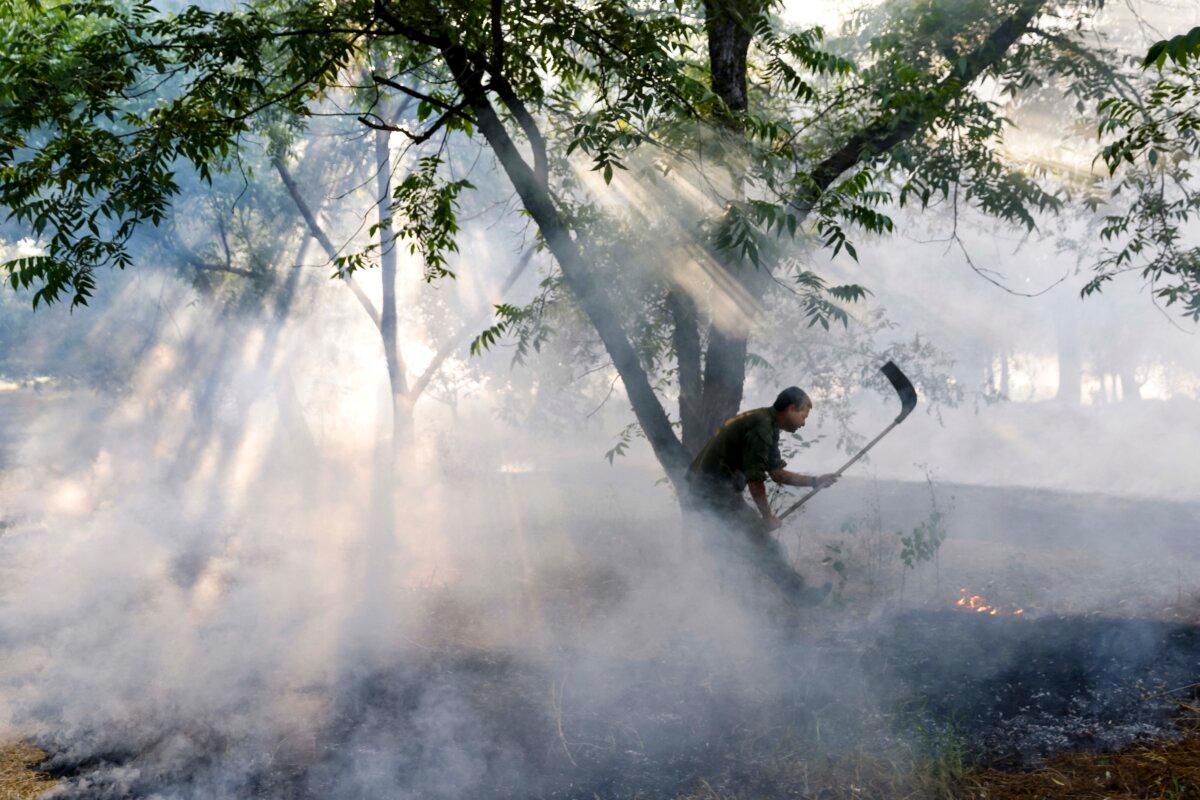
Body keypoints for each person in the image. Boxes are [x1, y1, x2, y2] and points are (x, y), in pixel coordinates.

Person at [686, 386, 838, 605]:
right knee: (761, 545)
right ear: (790, 408)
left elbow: (776, 473)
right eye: (803, 416)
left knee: (738, 547)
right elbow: (755, 480)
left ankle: (732, 607)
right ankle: (796, 596)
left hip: (710, 491)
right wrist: (767, 517)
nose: (803, 423)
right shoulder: (762, 427)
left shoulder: (767, 423)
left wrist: (815, 482)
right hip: (711, 493)